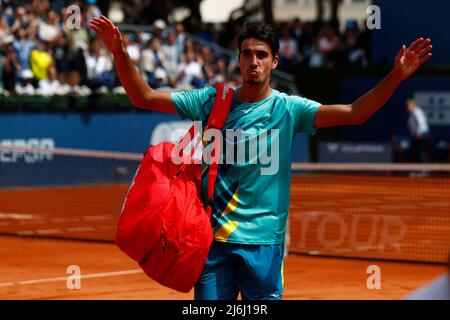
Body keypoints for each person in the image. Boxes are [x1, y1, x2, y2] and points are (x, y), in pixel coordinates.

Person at [90, 15, 432, 300]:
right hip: (214, 244)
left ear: (274, 61)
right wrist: (119, 52)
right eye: (247, 53)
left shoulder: (289, 108)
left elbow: (355, 113)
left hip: (264, 244)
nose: (253, 61)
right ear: (238, 58)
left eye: (262, 54)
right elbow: (144, 96)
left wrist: (396, 76)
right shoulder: (212, 100)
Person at [406, 98, 430, 162]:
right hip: (416, 135)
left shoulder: (417, 111)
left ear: (412, 105)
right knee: (415, 153)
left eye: (408, 105)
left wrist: (419, 133)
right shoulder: (413, 112)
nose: (407, 107)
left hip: (421, 134)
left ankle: (424, 171)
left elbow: (422, 123)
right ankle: (416, 170)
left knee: (421, 152)